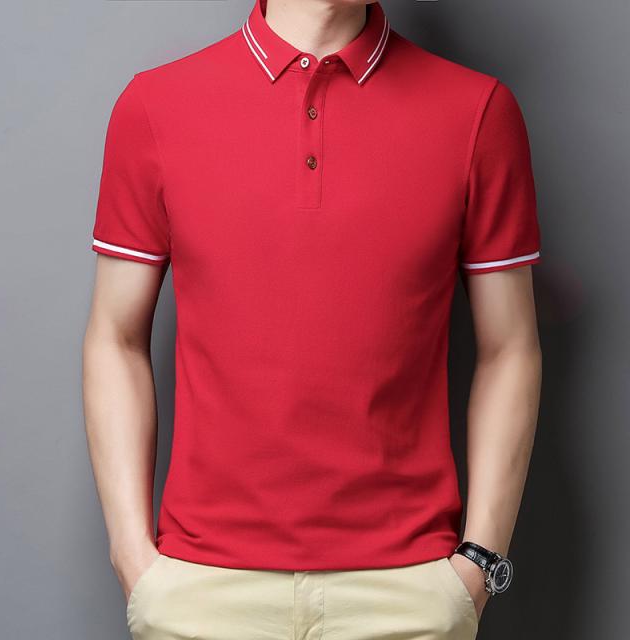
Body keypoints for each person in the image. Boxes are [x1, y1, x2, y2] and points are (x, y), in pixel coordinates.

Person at [82, 1, 542, 638]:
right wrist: (133, 557)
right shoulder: (155, 106)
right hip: (202, 592)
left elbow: (510, 347)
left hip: (408, 594)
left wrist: (479, 562)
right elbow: (115, 336)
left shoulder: (477, 111)